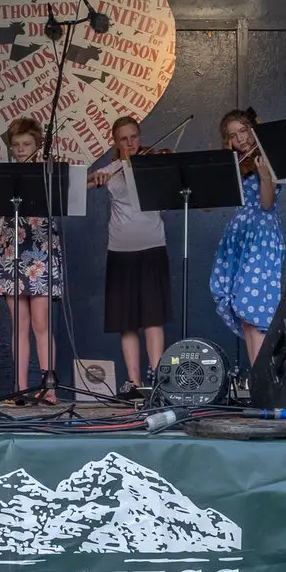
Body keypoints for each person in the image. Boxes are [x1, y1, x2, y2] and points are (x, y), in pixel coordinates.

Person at [87, 115, 169, 399]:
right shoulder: (112, 169)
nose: (130, 143)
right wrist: (96, 178)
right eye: (124, 139)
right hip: (120, 251)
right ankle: (134, 384)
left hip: (153, 247)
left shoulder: (154, 164)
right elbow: (83, 185)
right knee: (127, 321)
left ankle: (156, 381)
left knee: (153, 318)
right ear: (116, 142)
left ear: (139, 136)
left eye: (134, 137)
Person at [0, 117, 64, 403]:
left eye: (27, 145)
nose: (21, 150)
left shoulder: (47, 173)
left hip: (41, 251)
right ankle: (20, 388)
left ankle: (49, 387)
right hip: (13, 252)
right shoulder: (8, 176)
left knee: (41, 323)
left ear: (38, 145)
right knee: (18, 325)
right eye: (16, 146)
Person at [208, 107, 284, 363]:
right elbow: (207, 204)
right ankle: (256, 377)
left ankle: (264, 381)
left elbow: (266, 204)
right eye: (233, 135)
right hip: (238, 237)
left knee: (257, 310)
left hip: (261, 237)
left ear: (253, 129)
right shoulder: (234, 165)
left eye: (243, 131)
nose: (240, 139)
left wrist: (265, 177)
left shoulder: (271, 158)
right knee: (245, 313)